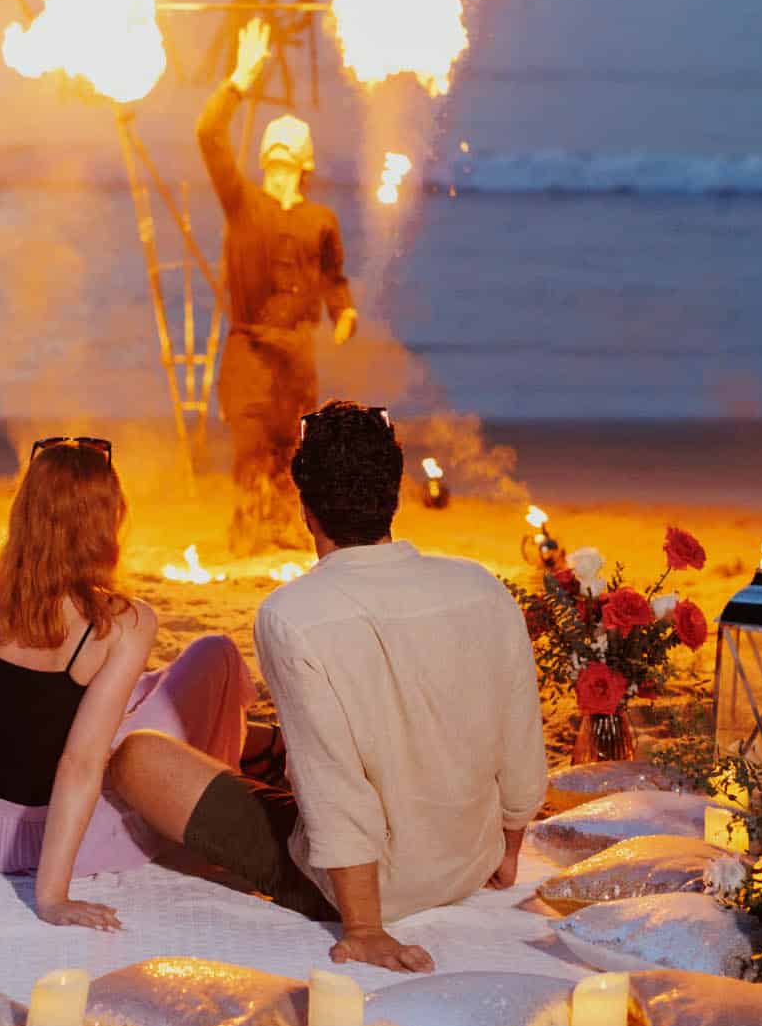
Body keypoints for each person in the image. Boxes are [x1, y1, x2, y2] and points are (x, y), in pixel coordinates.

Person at [109, 401, 548, 972]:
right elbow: (522, 742)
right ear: (395, 493)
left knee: (138, 759)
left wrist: (365, 928)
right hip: (471, 859)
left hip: (372, 888)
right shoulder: (480, 586)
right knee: (274, 740)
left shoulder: (292, 613)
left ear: (305, 509)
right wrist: (505, 854)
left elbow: (332, 785)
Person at [0, 436, 252, 928]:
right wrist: (52, 897)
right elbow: (79, 764)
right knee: (216, 655)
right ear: (106, 519)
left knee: (132, 690)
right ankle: (208, 808)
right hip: (48, 838)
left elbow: (2, 712)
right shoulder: (123, 621)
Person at [197, 16, 356, 553]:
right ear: (265, 157)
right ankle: (248, 525)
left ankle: (287, 527)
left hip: (297, 352)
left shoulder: (320, 219)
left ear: (304, 162)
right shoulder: (243, 205)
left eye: (290, 153)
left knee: (294, 445)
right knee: (248, 440)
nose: (281, 161)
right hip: (249, 348)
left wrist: (345, 313)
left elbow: (333, 274)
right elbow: (208, 136)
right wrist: (240, 80)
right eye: (275, 152)